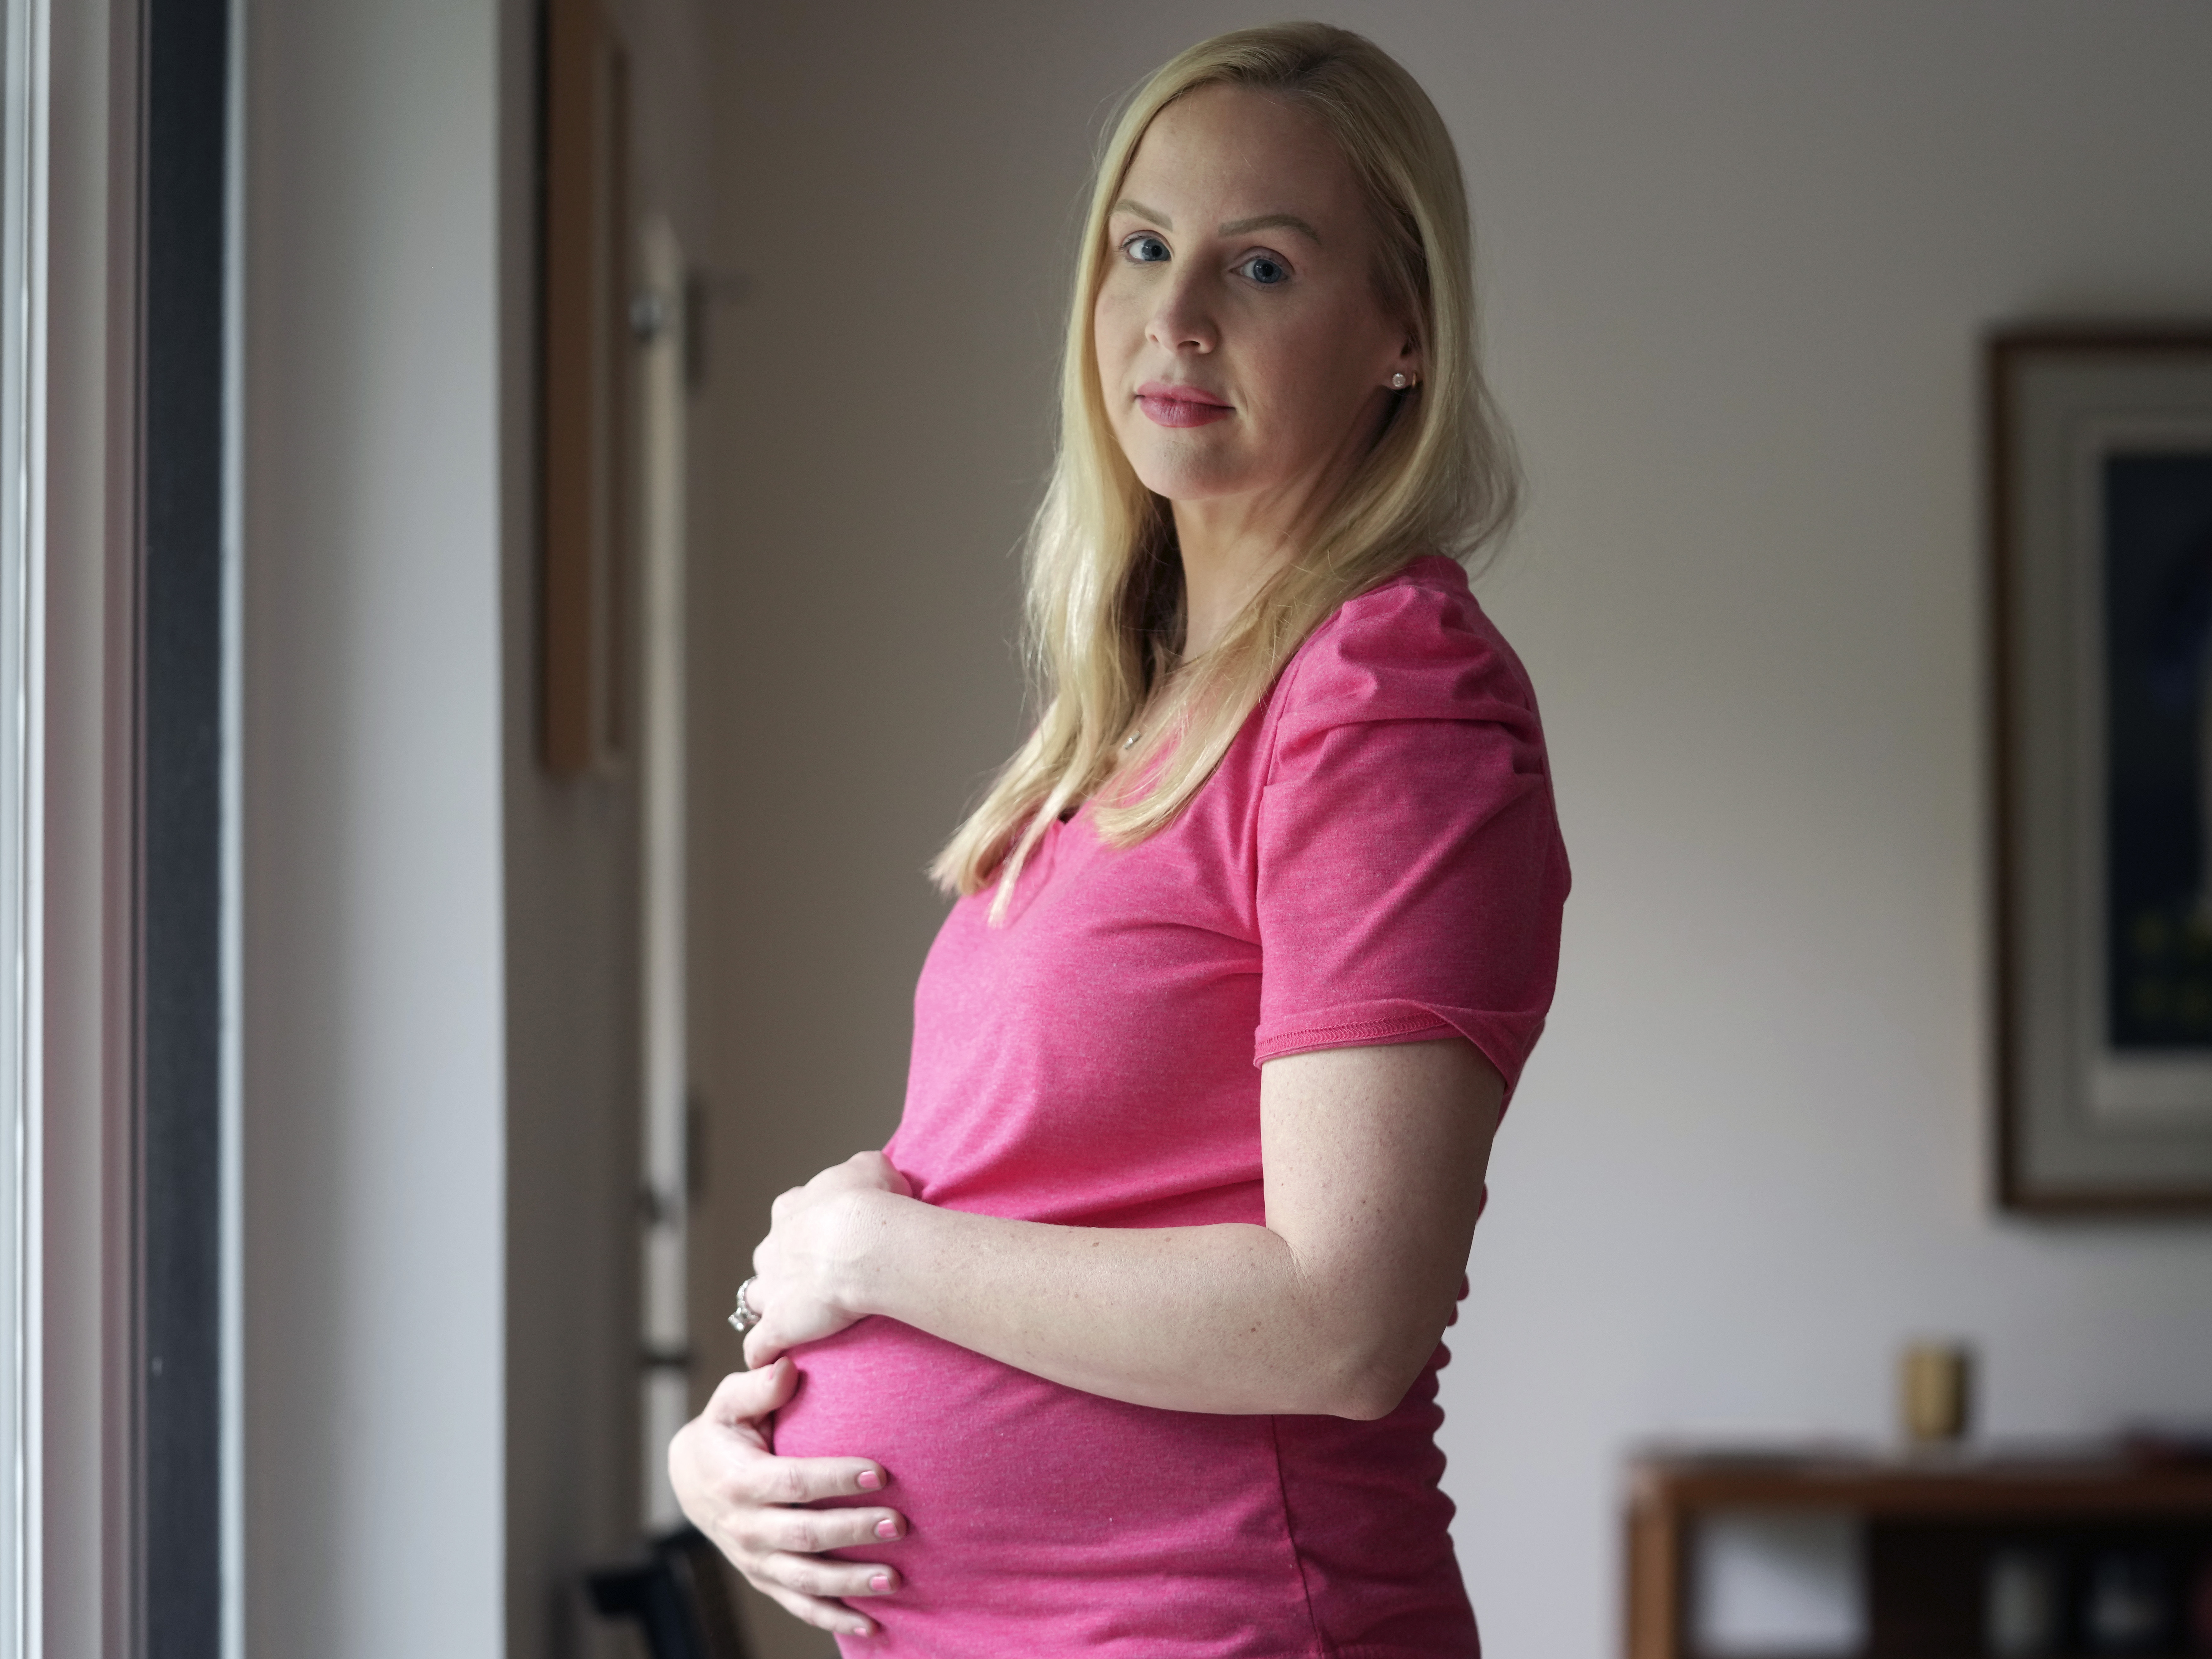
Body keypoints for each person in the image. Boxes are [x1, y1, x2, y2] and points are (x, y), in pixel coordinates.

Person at [669, 22, 1568, 1656]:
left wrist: (872, 1252)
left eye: (1263, 267)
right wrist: (735, 1446)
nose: (1175, 316)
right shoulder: (1137, 705)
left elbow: (1338, 1316)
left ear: (1402, 335)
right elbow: (1029, 1192)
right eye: (1141, 248)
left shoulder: (1387, 696)